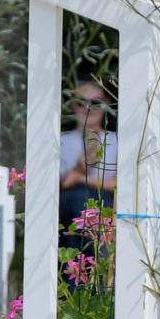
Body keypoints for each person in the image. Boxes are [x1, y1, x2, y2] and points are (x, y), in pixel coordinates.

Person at [59, 77, 119, 244]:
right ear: (73, 105)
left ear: (106, 104)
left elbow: (122, 185)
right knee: (79, 198)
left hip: (103, 207)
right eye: (81, 102)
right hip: (68, 212)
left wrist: (79, 178)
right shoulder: (61, 141)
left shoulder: (116, 140)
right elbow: (58, 185)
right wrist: (79, 169)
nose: (88, 108)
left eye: (96, 102)